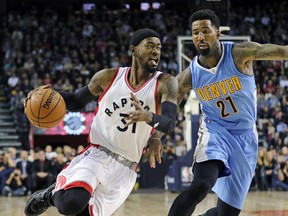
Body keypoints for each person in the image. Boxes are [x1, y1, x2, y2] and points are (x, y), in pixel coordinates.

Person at [24, 28, 178, 216]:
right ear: (134, 49)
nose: (156, 51)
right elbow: (75, 100)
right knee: (71, 204)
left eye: (159, 48)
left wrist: (150, 118)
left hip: (127, 167)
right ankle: (48, 195)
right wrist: (45, 97)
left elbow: (170, 123)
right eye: (150, 46)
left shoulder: (166, 83)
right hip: (98, 154)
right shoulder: (107, 77)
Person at [168, 9, 288, 216]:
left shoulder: (239, 54)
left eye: (205, 31)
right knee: (201, 185)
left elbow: (280, 51)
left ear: (217, 33)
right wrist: (159, 131)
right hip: (216, 131)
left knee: (227, 213)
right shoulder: (190, 74)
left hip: (245, 137)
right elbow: (171, 99)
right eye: (195, 32)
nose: (200, 36)